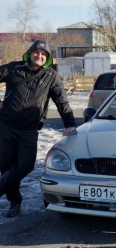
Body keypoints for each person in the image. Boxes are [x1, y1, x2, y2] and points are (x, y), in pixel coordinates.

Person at [0, 39, 76, 217]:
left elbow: (61, 100)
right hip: (5, 125)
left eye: (43, 54)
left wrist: (70, 123)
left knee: (25, 166)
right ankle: (15, 202)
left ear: (47, 58)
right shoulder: (13, 68)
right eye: (36, 52)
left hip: (28, 129)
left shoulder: (51, 76)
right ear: (30, 53)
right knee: (6, 166)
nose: (39, 55)